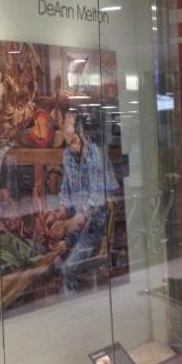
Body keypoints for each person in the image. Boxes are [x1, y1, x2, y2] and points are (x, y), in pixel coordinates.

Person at [53, 111, 119, 292]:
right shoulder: (67, 155)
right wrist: (62, 211)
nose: (64, 130)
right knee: (52, 264)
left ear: (80, 131)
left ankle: (74, 308)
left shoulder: (95, 158)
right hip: (75, 227)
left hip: (94, 229)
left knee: (67, 270)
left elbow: (95, 204)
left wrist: (67, 224)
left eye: (68, 126)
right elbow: (65, 189)